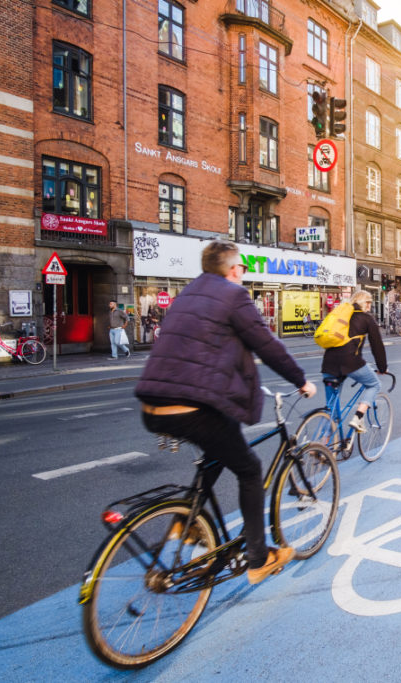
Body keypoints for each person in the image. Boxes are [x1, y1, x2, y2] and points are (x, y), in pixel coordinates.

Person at [135, 240, 316, 585]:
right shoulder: (233, 295)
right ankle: (259, 559)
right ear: (233, 269)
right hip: (191, 407)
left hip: (152, 404)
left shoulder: (187, 295)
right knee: (249, 469)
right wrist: (301, 380)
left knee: (217, 450)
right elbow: (267, 344)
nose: (243, 275)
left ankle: (186, 522)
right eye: (243, 269)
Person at [322, 289, 388, 432]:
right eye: (368, 303)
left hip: (328, 363)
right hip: (350, 362)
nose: (370, 306)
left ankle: (322, 446)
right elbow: (377, 346)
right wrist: (382, 368)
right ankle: (358, 418)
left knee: (331, 408)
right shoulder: (366, 318)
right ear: (363, 303)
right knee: (374, 384)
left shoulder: (341, 316)